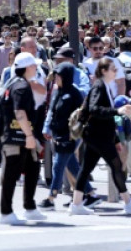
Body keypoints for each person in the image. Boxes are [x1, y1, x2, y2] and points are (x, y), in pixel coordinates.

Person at [69, 58, 131, 216]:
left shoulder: (104, 86)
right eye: (113, 69)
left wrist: (116, 139)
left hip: (97, 135)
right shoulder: (99, 86)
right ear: (104, 71)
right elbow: (95, 109)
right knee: (116, 166)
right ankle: (128, 201)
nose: (116, 72)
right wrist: (117, 111)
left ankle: (76, 204)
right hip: (99, 135)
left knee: (86, 169)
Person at [0, 52, 46, 225]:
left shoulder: (15, 83)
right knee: (12, 173)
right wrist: (29, 136)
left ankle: (30, 207)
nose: (36, 68)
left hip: (20, 135)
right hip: (17, 136)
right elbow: (19, 112)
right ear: (26, 67)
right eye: (34, 65)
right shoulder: (21, 86)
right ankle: (6, 212)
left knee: (33, 168)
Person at [40, 63, 96, 210]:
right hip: (58, 135)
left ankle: (51, 197)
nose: (55, 78)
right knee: (73, 167)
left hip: (70, 136)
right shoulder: (57, 91)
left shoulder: (74, 93)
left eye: (58, 75)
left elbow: (82, 113)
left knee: (58, 166)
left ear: (65, 76)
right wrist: (48, 128)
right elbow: (52, 111)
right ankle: (90, 194)